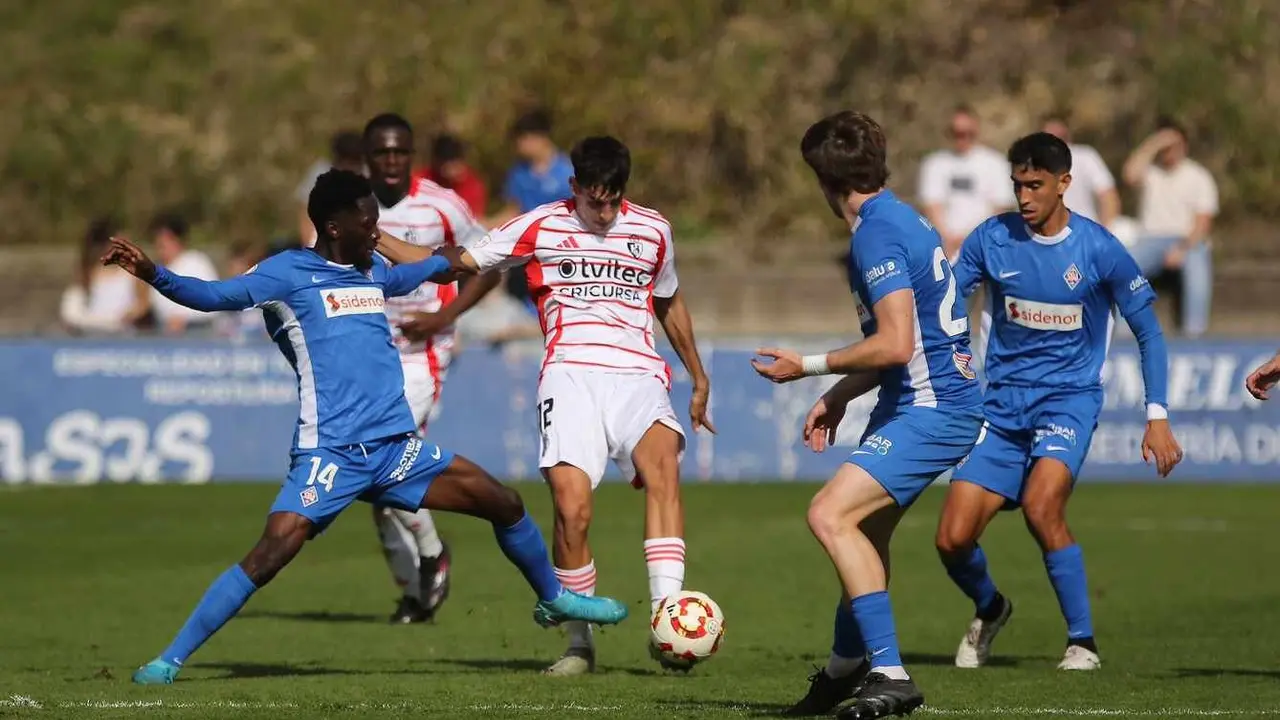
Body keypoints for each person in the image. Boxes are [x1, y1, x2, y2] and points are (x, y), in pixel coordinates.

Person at [117, 169, 628, 685]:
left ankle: (553, 599)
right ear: (336, 227)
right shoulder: (286, 274)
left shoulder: (373, 271)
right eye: (369, 224)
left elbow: (438, 268)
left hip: (396, 452)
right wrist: (154, 274)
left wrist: (489, 252)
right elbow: (211, 296)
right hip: (331, 456)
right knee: (269, 555)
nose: (378, 232)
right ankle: (169, 660)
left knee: (505, 503)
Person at [375, 136, 714, 677]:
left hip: (637, 376)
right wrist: (375, 236)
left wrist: (698, 376)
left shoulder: (653, 229)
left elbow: (668, 300)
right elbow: (452, 263)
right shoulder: (540, 225)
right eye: (593, 200)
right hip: (569, 377)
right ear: (574, 186)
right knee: (571, 508)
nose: (604, 212)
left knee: (662, 470)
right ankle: (579, 644)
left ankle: (665, 620)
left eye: (613, 200)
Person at [753, 111, 983, 719]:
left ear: (825, 182)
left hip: (934, 409)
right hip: (916, 401)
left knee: (829, 515)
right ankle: (842, 672)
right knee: (866, 535)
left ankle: (891, 673)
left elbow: (895, 344)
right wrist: (840, 396)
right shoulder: (902, 218)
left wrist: (807, 366)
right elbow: (906, 343)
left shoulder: (876, 235)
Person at [938, 132, 1183, 673]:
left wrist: (1157, 417)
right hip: (1000, 410)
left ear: (1064, 183)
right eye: (1017, 185)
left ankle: (1083, 643)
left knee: (1041, 506)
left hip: (1067, 402)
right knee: (952, 539)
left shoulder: (1098, 249)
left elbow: (1150, 332)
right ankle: (992, 608)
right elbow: (948, 307)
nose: (1024, 197)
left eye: (1036, 185)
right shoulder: (990, 238)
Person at [362, 112, 504, 624]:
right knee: (376, 489)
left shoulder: (442, 204)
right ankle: (417, 592)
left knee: (381, 459)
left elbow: (492, 262)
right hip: (368, 357)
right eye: (383, 153)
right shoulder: (349, 204)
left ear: (411, 153)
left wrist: (446, 315)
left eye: (401, 151)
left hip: (421, 355)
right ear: (368, 157)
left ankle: (430, 555)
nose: (393, 161)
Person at [1121, 119, 1219, 338]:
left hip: (1187, 241)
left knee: (1197, 261)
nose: (1168, 151)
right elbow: (1129, 174)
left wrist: (1182, 249)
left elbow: (1202, 224)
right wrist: (1155, 142)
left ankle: (1194, 334)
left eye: (1172, 145)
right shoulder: (1150, 172)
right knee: (1124, 266)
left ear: (1184, 145)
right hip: (1150, 240)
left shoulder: (1199, 176)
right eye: (1163, 146)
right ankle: (1121, 337)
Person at [490, 109, 576, 317]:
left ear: (537, 138)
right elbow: (514, 210)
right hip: (526, 246)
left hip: (561, 246)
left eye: (521, 140)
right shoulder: (519, 173)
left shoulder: (567, 171)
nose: (519, 147)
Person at [918, 105, 1014, 261]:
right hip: (945, 250)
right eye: (957, 133)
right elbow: (932, 206)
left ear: (976, 130)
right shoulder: (934, 164)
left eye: (968, 133)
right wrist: (946, 240)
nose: (962, 138)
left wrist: (972, 241)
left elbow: (1000, 209)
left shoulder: (996, 163)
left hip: (985, 249)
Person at [59, 217, 147, 336]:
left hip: (122, 334)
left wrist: (130, 315)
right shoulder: (89, 272)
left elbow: (144, 302)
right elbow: (77, 301)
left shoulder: (133, 274)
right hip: (95, 334)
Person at [145, 213, 220, 335]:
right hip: (167, 335)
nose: (160, 245)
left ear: (178, 240)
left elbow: (214, 301)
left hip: (199, 333)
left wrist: (184, 319)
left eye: (166, 240)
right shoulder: (157, 270)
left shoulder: (197, 261)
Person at [1042, 116, 1120, 228]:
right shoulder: (1085, 155)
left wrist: (1104, 232)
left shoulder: (1084, 156)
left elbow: (1108, 197)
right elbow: (1109, 196)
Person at [296, 130, 365, 246]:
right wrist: (309, 246)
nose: (348, 167)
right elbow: (305, 212)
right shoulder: (320, 173)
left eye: (354, 162)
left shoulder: (369, 175)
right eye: (344, 161)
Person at [413, 133, 488, 218]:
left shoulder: (472, 185)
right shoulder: (419, 180)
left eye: (455, 165)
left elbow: (475, 221)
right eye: (448, 166)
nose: (453, 171)